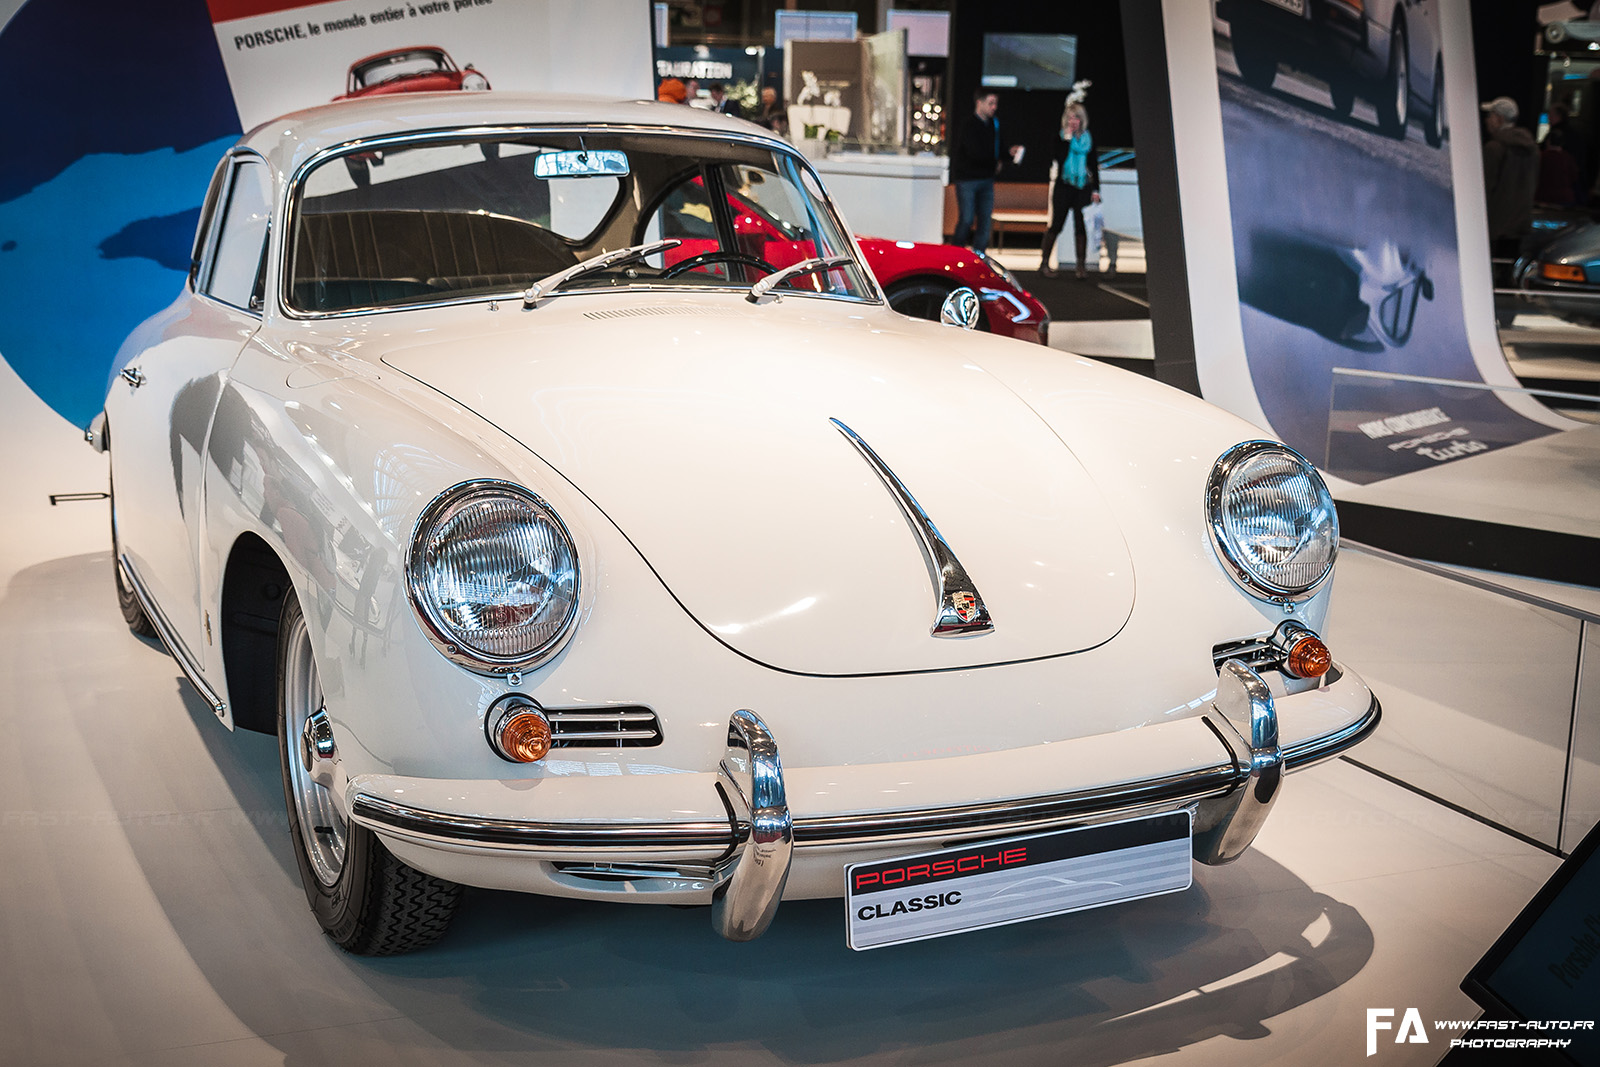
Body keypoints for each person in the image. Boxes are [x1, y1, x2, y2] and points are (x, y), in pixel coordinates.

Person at [950, 88, 1018, 255]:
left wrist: (1009, 154)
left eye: (995, 103)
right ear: (979, 103)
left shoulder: (994, 125)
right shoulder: (969, 125)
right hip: (968, 180)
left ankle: (979, 258)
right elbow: (975, 153)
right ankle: (953, 255)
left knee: (985, 223)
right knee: (966, 219)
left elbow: (997, 149)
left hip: (987, 180)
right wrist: (994, 161)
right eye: (990, 103)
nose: (994, 107)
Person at [1040, 101, 1100, 278]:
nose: (1073, 121)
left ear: (1082, 120)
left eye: (1076, 118)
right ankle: (1044, 263)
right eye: (1070, 118)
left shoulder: (1088, 140)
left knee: (1080, 226)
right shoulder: (1060, 138)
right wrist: (1067, 140)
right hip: (1064, 186)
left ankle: (1080, 266)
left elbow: (1093, 165)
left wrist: (1096, 190)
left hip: (1083, 187)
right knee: (1057, 224)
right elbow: (1057, 158)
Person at [1481, 96, 1539, 259]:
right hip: (1520, 223)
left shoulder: (1494, 148)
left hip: (1496, 226)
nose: (1487, 121)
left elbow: (1485, 187)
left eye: (1490, 116)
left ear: (1499, 119)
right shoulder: (1532, 149)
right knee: (1508, 272)